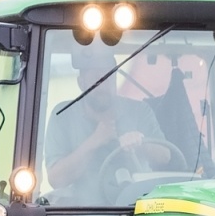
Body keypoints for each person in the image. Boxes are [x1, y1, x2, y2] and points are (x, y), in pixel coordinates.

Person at [44, 46, 174, 199]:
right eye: (96, 79)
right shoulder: (63, 115)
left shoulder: (139, 111)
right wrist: (95, 141)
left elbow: (165, 156)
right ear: (81, 83)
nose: (103, 85)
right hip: (87, 212)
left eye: (108, 77)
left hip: (138, 206)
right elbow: (56, 179)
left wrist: (141, 142)